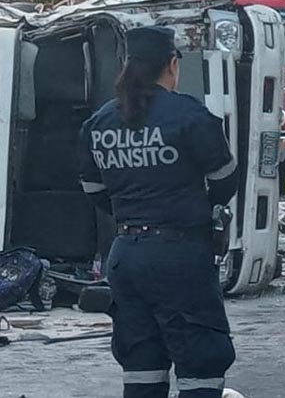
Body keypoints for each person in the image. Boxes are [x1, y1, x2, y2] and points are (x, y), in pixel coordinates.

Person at [77, 26, 238, 398]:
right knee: (201, 361)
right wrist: (199, 209)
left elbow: (94, 192)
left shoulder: (100, 122)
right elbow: (225, 179)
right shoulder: (189, 115)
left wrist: (132, 211)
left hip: (126, 257)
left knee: (141, 363)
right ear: (172, 64)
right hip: (181, 255)